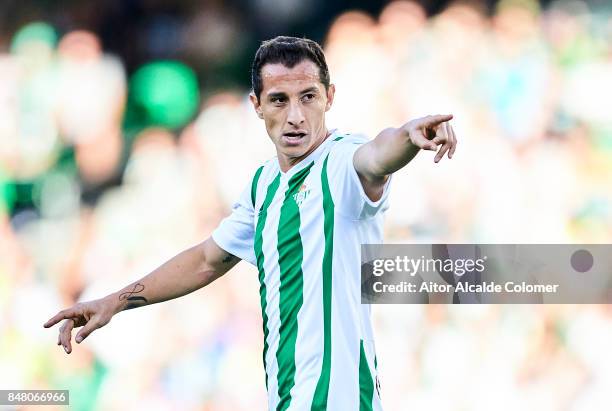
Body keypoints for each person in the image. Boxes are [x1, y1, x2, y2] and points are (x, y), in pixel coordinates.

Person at [44, 36, 457, 410]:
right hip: (288, 397)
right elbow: (206, 259)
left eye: (308, 97)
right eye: (279, 99)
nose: (296, 115)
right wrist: (112, 302)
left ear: (329, 98)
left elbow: (377, 155)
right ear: (256, 105)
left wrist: (408, 136)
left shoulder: (341, 162)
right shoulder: (264, 185)